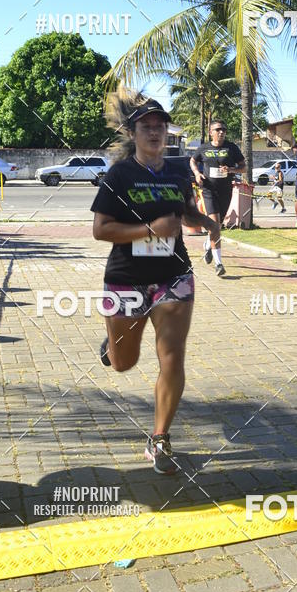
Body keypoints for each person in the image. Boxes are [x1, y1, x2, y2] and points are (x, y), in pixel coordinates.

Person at [91, 93, 219, 475]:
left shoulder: (179, 171)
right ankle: (111, 346)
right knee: (122, 364)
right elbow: (101, 230)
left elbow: (184, 211)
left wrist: (205, 221)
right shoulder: (120, 175)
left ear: (167, 132)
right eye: (146, 126)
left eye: (160, 126)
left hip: (173, 276)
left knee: (172, 356)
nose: (154, 131)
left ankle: (160, 438)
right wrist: (148, 230)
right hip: (126, 279)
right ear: (133, 132)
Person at [190, 120, 245, 277]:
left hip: (225, 191)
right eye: (218, 129)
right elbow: (193, 160)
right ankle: (219, 264)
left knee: (217, 227)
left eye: (224, 130)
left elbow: (244, 167)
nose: (222, 132)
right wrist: (197, 173)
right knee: (214, 225)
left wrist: (232, 169)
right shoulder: (203, 148)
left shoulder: (231, 148)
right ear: (211, 132)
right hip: (208, 190)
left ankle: (208, 245)